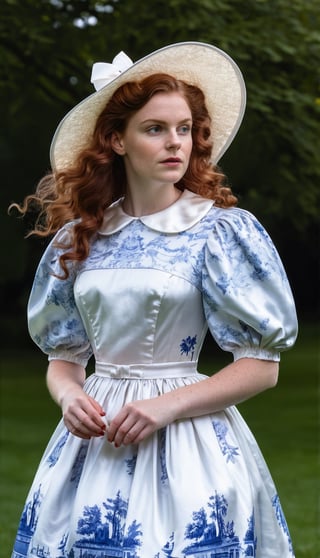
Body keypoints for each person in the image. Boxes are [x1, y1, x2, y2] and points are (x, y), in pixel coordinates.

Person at [11, 42, 298, 558]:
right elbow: (63, 358)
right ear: (117, 141)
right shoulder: (80, 238)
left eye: (184, 129)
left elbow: (261, 365)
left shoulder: (219, 232)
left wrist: (164, 407)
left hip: (190, 442)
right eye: (155, 129)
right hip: (93, 445)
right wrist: (69, 397)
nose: (175, 144)